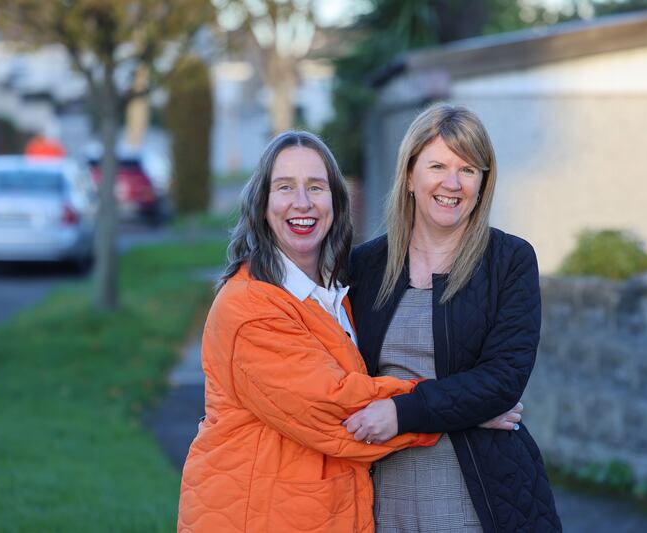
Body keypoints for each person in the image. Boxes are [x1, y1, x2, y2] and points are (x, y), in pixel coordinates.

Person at [177, 131, 522, 533]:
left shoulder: (335, 294)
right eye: (285, 187)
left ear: (337, 203)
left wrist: (456, 404)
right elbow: (338, 409)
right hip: (259, 515)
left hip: (319, 511)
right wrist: (465, 407)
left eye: (316, 187)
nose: (302, 202)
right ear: (261, 204)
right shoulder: (250, 306)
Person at [346, 104, 563, 532]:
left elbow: (502, 380)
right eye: (438, 166)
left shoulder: (509, 261)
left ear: (483, 183)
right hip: (380, 496)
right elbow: (336, 378)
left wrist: (403, 412)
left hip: (479, 496)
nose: (453, 183)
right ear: (410, 176)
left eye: (468, 169)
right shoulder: (363, 267)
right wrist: (463, 409)